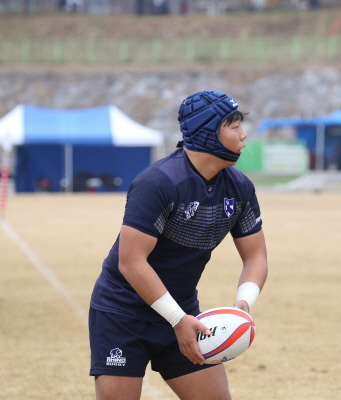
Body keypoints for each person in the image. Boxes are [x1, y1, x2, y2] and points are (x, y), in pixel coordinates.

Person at [89, 90, 268, 400]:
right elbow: (131, 262)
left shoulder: (239, 187)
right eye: (234, 126)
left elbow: (256, 257)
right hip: (123, 314)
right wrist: (176, 318)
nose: (244, 134)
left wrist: (243, 303)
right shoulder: (158, 182)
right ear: (208, 132)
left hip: (185, 314)